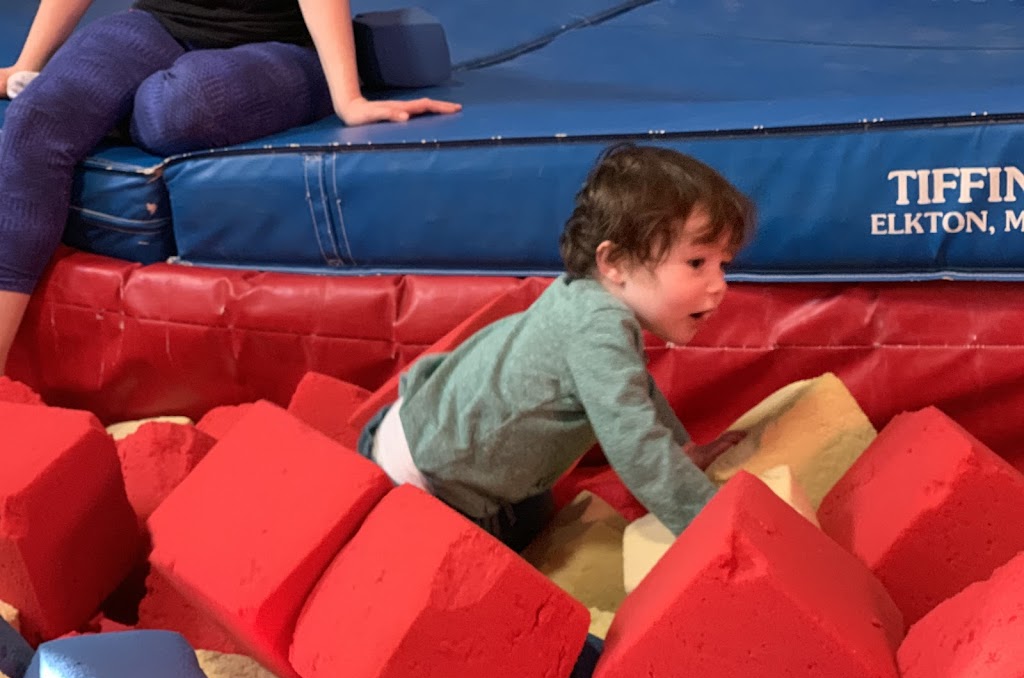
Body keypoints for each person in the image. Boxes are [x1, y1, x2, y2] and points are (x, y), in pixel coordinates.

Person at [0, 0, 462, 374]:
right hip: (161, 22)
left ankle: (339, 68)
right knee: (37, 116)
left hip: (280, 43)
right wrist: (28, 63)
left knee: (174, 110)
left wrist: (348, 97)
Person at [360, 143, 755, 551]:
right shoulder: (596, 327)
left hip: (431, 435)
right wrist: (715, 529)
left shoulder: (587, 301)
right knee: (514, 563)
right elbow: (634, 442)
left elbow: (638, 393)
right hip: (427, 479)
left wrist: (683, 450)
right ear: (615, 262)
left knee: (542, 525)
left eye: (722, 265)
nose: (718, 285)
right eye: (696, 263)